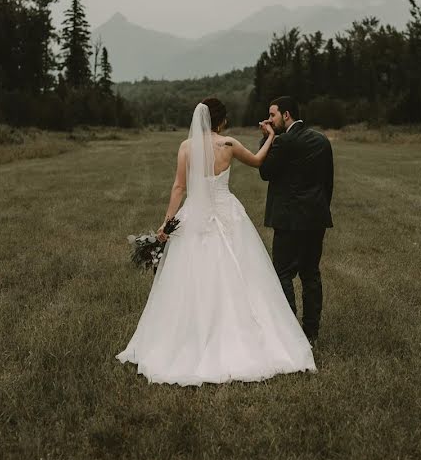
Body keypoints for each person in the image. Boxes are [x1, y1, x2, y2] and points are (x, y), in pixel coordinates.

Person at [116, 98, 316, 386]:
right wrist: (271, 136)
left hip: (194, 217)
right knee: (243, 275)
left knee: (191, 278)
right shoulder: (229, 145)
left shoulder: (186, 148)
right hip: (228, 215)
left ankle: (188, 338)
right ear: (221, 121)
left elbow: (179, 187)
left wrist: (167, 222)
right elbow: (259, 161)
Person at [258, 96, 334, 345]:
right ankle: (311, 332)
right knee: (310, 273)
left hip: (290, 221)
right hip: (316, 218)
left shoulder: (283, 142)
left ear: (286, 115)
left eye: (272, 115)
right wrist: (321, 209)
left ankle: (290, 333)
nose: (269, 120)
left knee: (282, 273)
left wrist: (266, 137)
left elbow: (264, 171)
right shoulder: (321, 140)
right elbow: (328, 183)